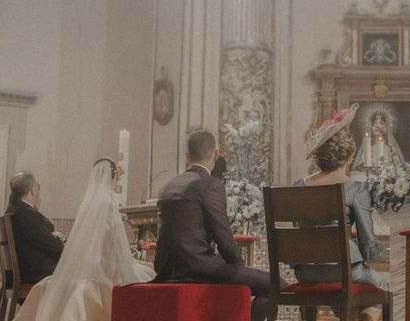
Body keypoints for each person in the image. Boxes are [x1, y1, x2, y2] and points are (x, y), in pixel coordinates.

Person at [154, 129, 280, 321]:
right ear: (216, 154)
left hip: (165, 268)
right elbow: (224, 236)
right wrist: (240, 268)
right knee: (276, 285)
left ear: (187, 156)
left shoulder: (167, 187)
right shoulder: (210, 185)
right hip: (199, 268)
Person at [14, 158, 155, 320]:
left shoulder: (88, 204)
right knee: (149, 272)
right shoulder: (109, 203)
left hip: (88, 265)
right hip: (105, 269)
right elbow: (116, 244)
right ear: (113, 176)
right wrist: (132, 256)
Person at [296, 104, 389, 321]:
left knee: (345, 292)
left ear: (318, 157)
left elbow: (302, 232)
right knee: (381, 286)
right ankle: (367, 315)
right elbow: (368, 247)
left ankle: (355, 316)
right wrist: (387, 254)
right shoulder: (355, 189)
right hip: (344, 270)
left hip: (306, 271)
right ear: (348, 156)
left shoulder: (299, 185)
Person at [5, 171, 64, 284]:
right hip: (34, 274)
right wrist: (59, 237)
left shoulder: (13, 210)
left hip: (24, 271)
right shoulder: (26, 214)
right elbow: (55, 246)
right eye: (38, 186)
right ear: (33, 189)